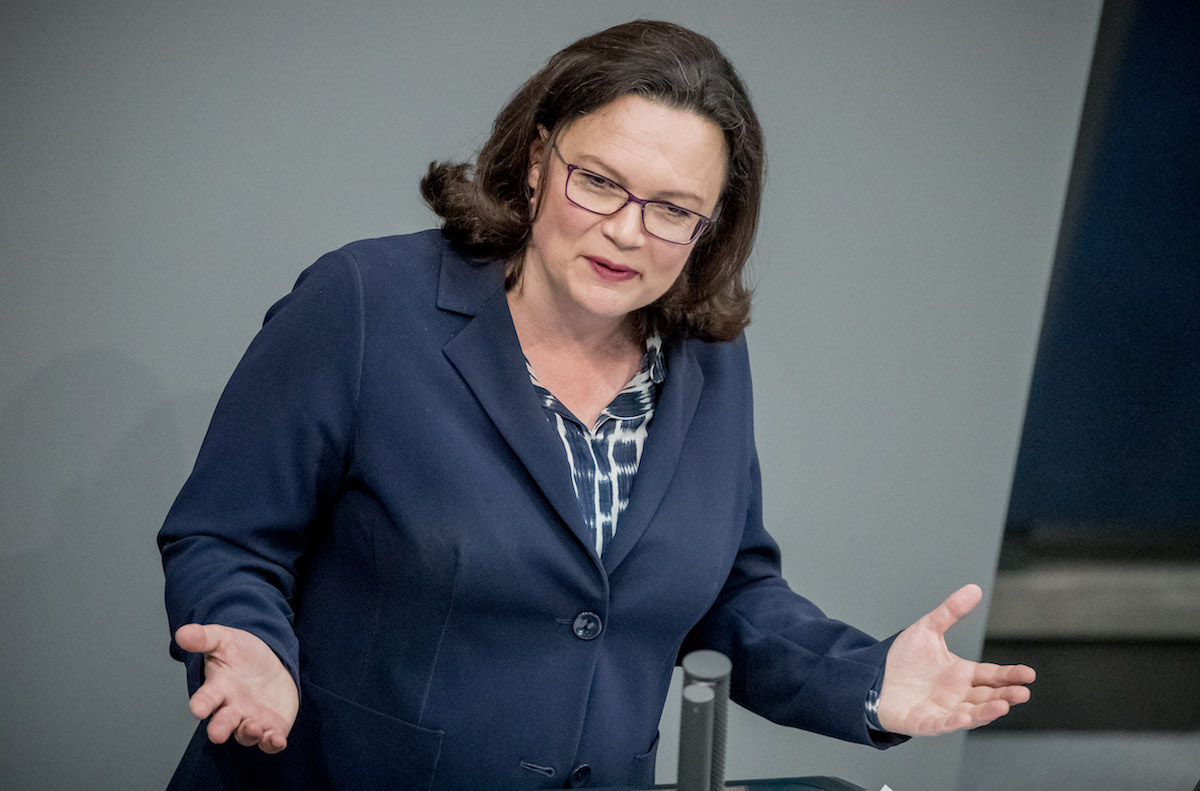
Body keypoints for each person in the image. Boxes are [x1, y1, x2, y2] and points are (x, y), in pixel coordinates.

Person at [158, 19, 1034, 790]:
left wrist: (869, 680)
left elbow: (731, 590)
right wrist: (250, 641)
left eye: (672, 209)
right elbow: (228, 534)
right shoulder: (364, 303)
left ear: (711, 225)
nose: (626, 230)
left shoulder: (711, 364)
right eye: (600, 182)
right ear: (538, 161)